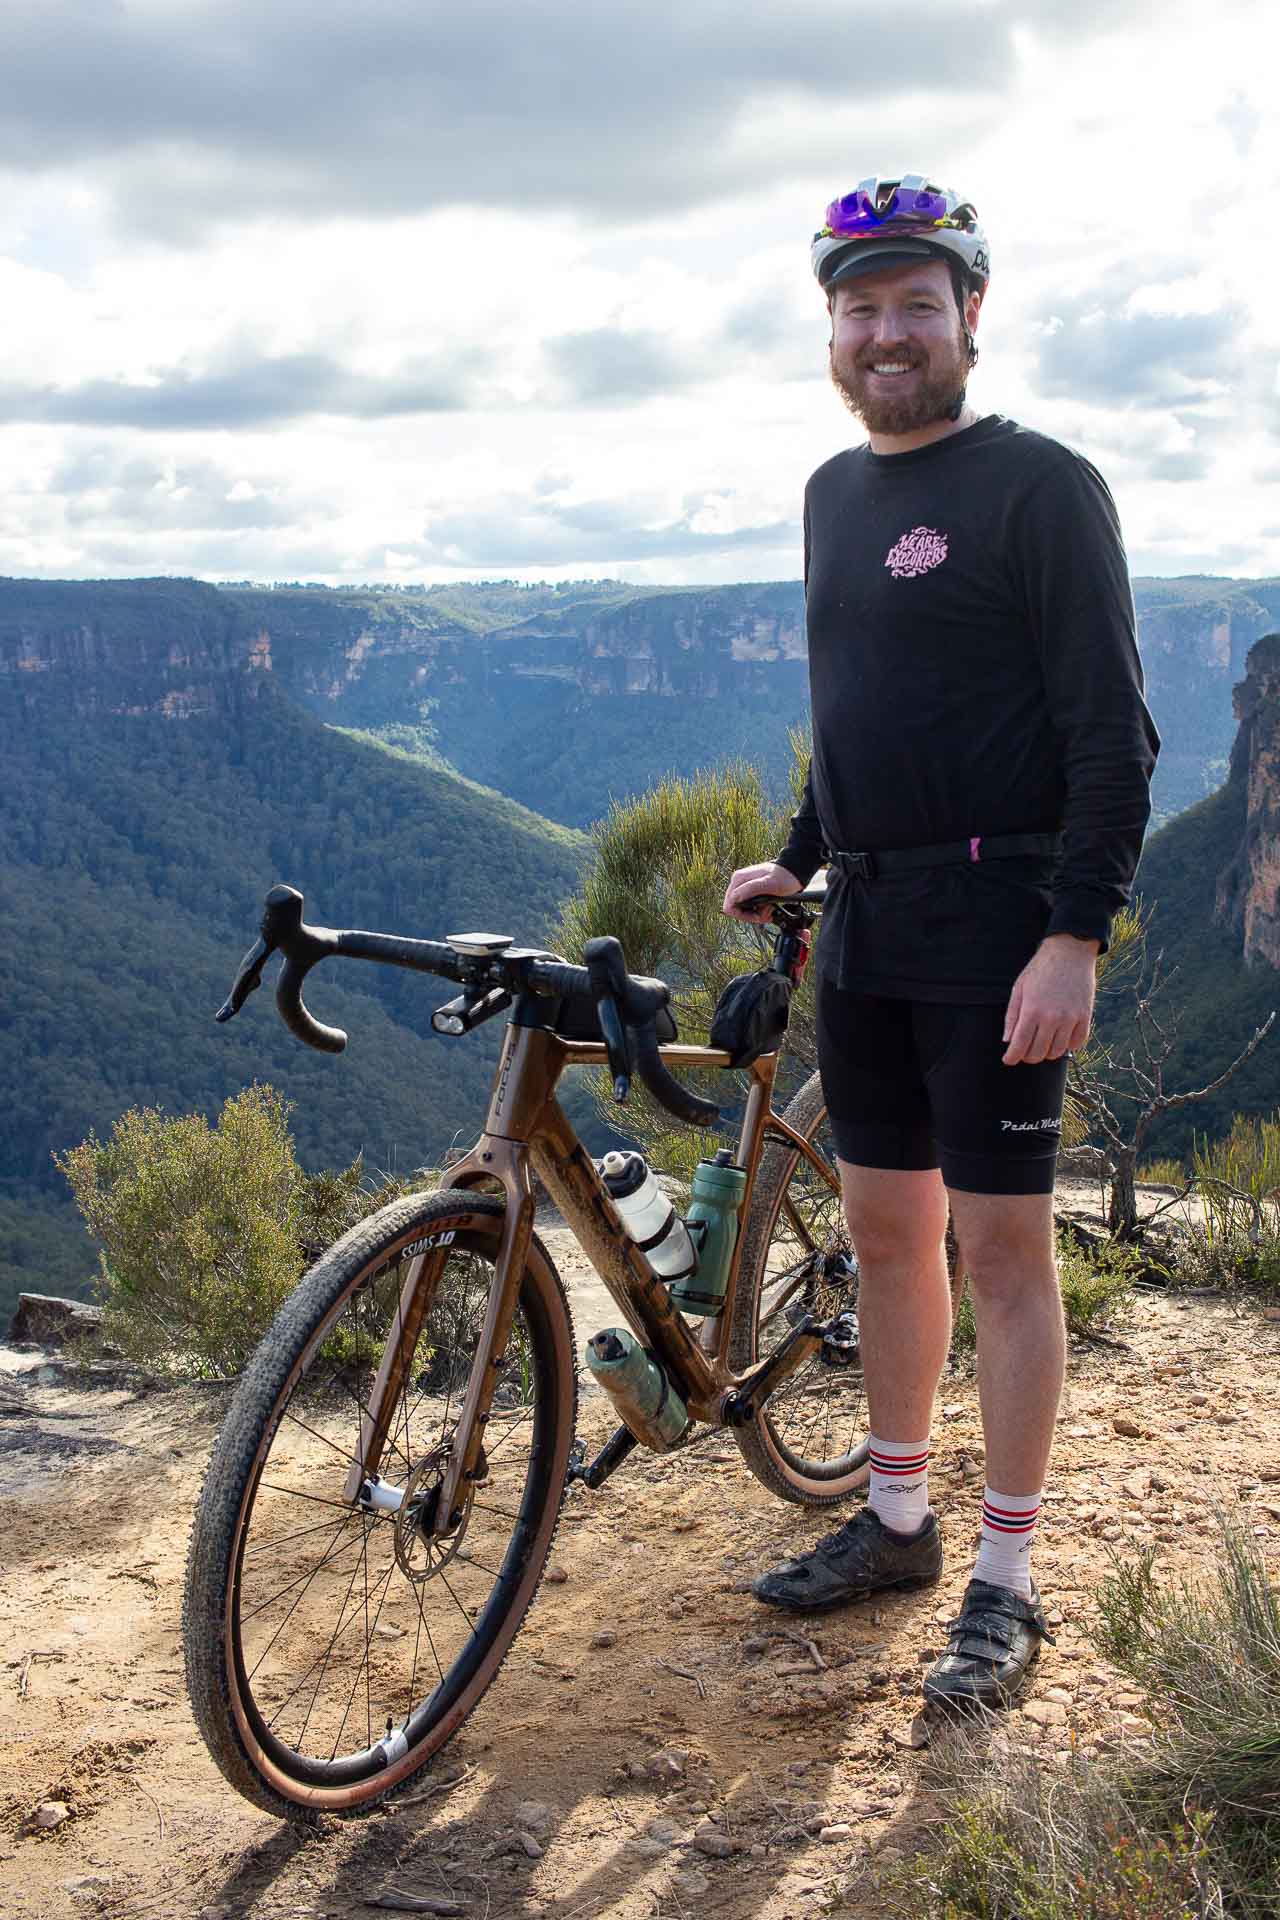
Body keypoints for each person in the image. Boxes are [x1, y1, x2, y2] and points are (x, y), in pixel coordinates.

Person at [722, 173, 1159, 1710]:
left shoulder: (1042, 487)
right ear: (831, 330)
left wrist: (1074, 939)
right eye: (861, 309)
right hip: (871, 928)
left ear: (972, 315)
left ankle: (1007, 1576)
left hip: (1000, 926)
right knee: (889, 1238)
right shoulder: (832, 494)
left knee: (1002, 1251)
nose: (887, 333)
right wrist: (795, 857)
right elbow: (856, 707)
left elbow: (1116, 734)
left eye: (919, 305)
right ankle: (896, 1521)